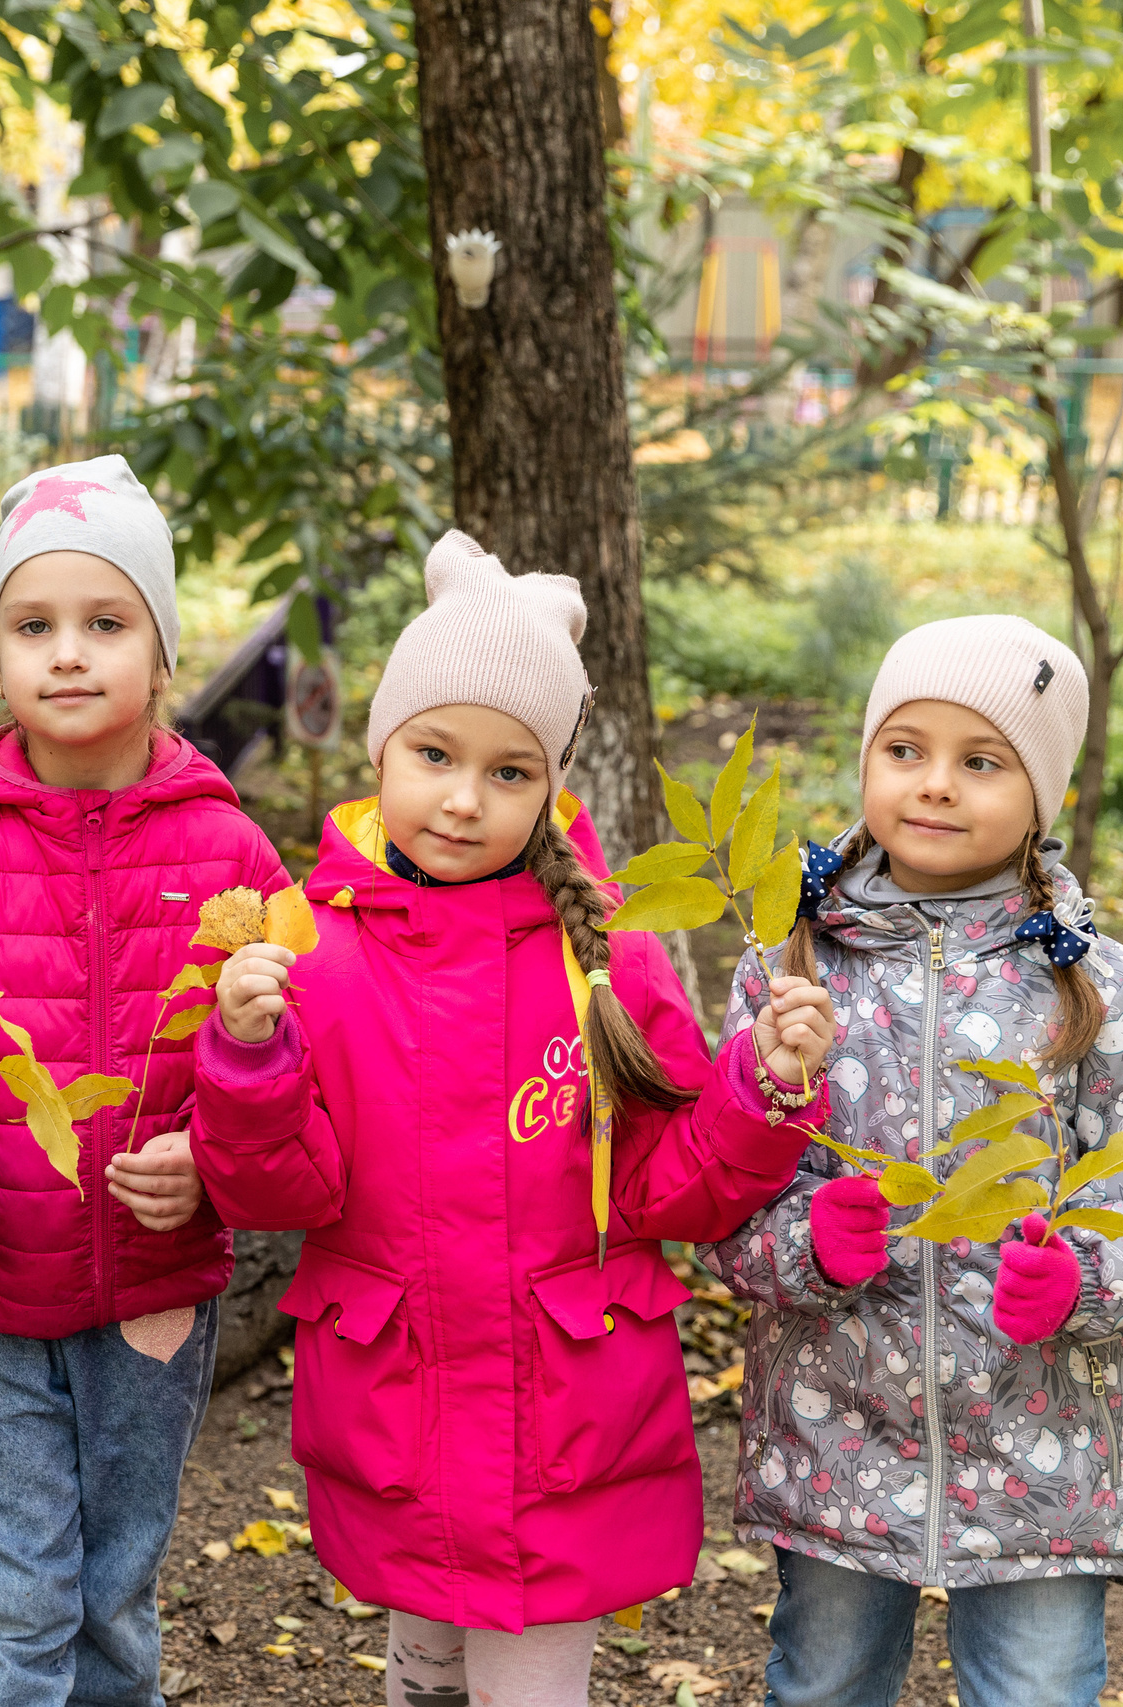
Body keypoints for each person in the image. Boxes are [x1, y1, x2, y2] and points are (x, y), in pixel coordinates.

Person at [190, 531, 837, 1707]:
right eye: (434, 753)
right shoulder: (307, 950)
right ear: (381, 746)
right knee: (426, 1661)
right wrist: (245, 1058)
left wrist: (765, 1089)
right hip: (401, 1406)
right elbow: (277, 1191)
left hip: (565, 1419)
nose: (461, 798)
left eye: (507, 772)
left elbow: (672, 1189)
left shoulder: (611, 961)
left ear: (550, 787)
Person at [0, 455, 291, 1707]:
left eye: (106, 623)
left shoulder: (231, 854)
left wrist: (212, 1156)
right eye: (32, 626)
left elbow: (291, 1061)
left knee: (114, 1589)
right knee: (10, 1587)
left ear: (163, 652)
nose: (69, 654)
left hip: (156, 1295)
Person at [699, 614, 1123, 1707]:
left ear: (1042, 797)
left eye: (981, 761)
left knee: (1036, 1688)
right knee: (825, 1682)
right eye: (905, 749)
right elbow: (720, 1189)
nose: (935, 783)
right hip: (838, 1441)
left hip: (1042, 1447)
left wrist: (1085, 1280)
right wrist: (807, 1244)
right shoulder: (790, 971)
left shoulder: (1106, 991)